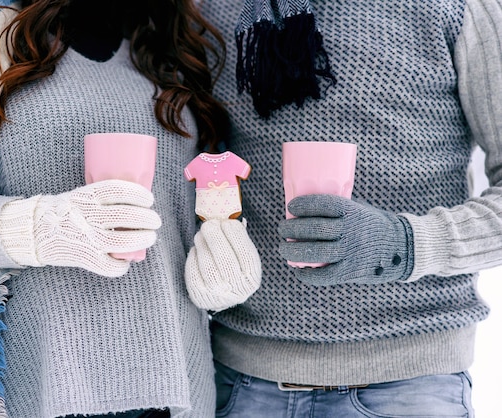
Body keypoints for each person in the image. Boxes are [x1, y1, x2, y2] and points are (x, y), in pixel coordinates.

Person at [0, 0, 247, 416]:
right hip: (18, 393)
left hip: (173, 386)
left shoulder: (174, 39)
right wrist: (31, 229)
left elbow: (202, 205)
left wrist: (224, 261)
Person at [190, 0, 502, 416]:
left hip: (407, 387)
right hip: (241, 384)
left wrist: (403, 244)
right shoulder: (212, 11)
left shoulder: (458, 7)